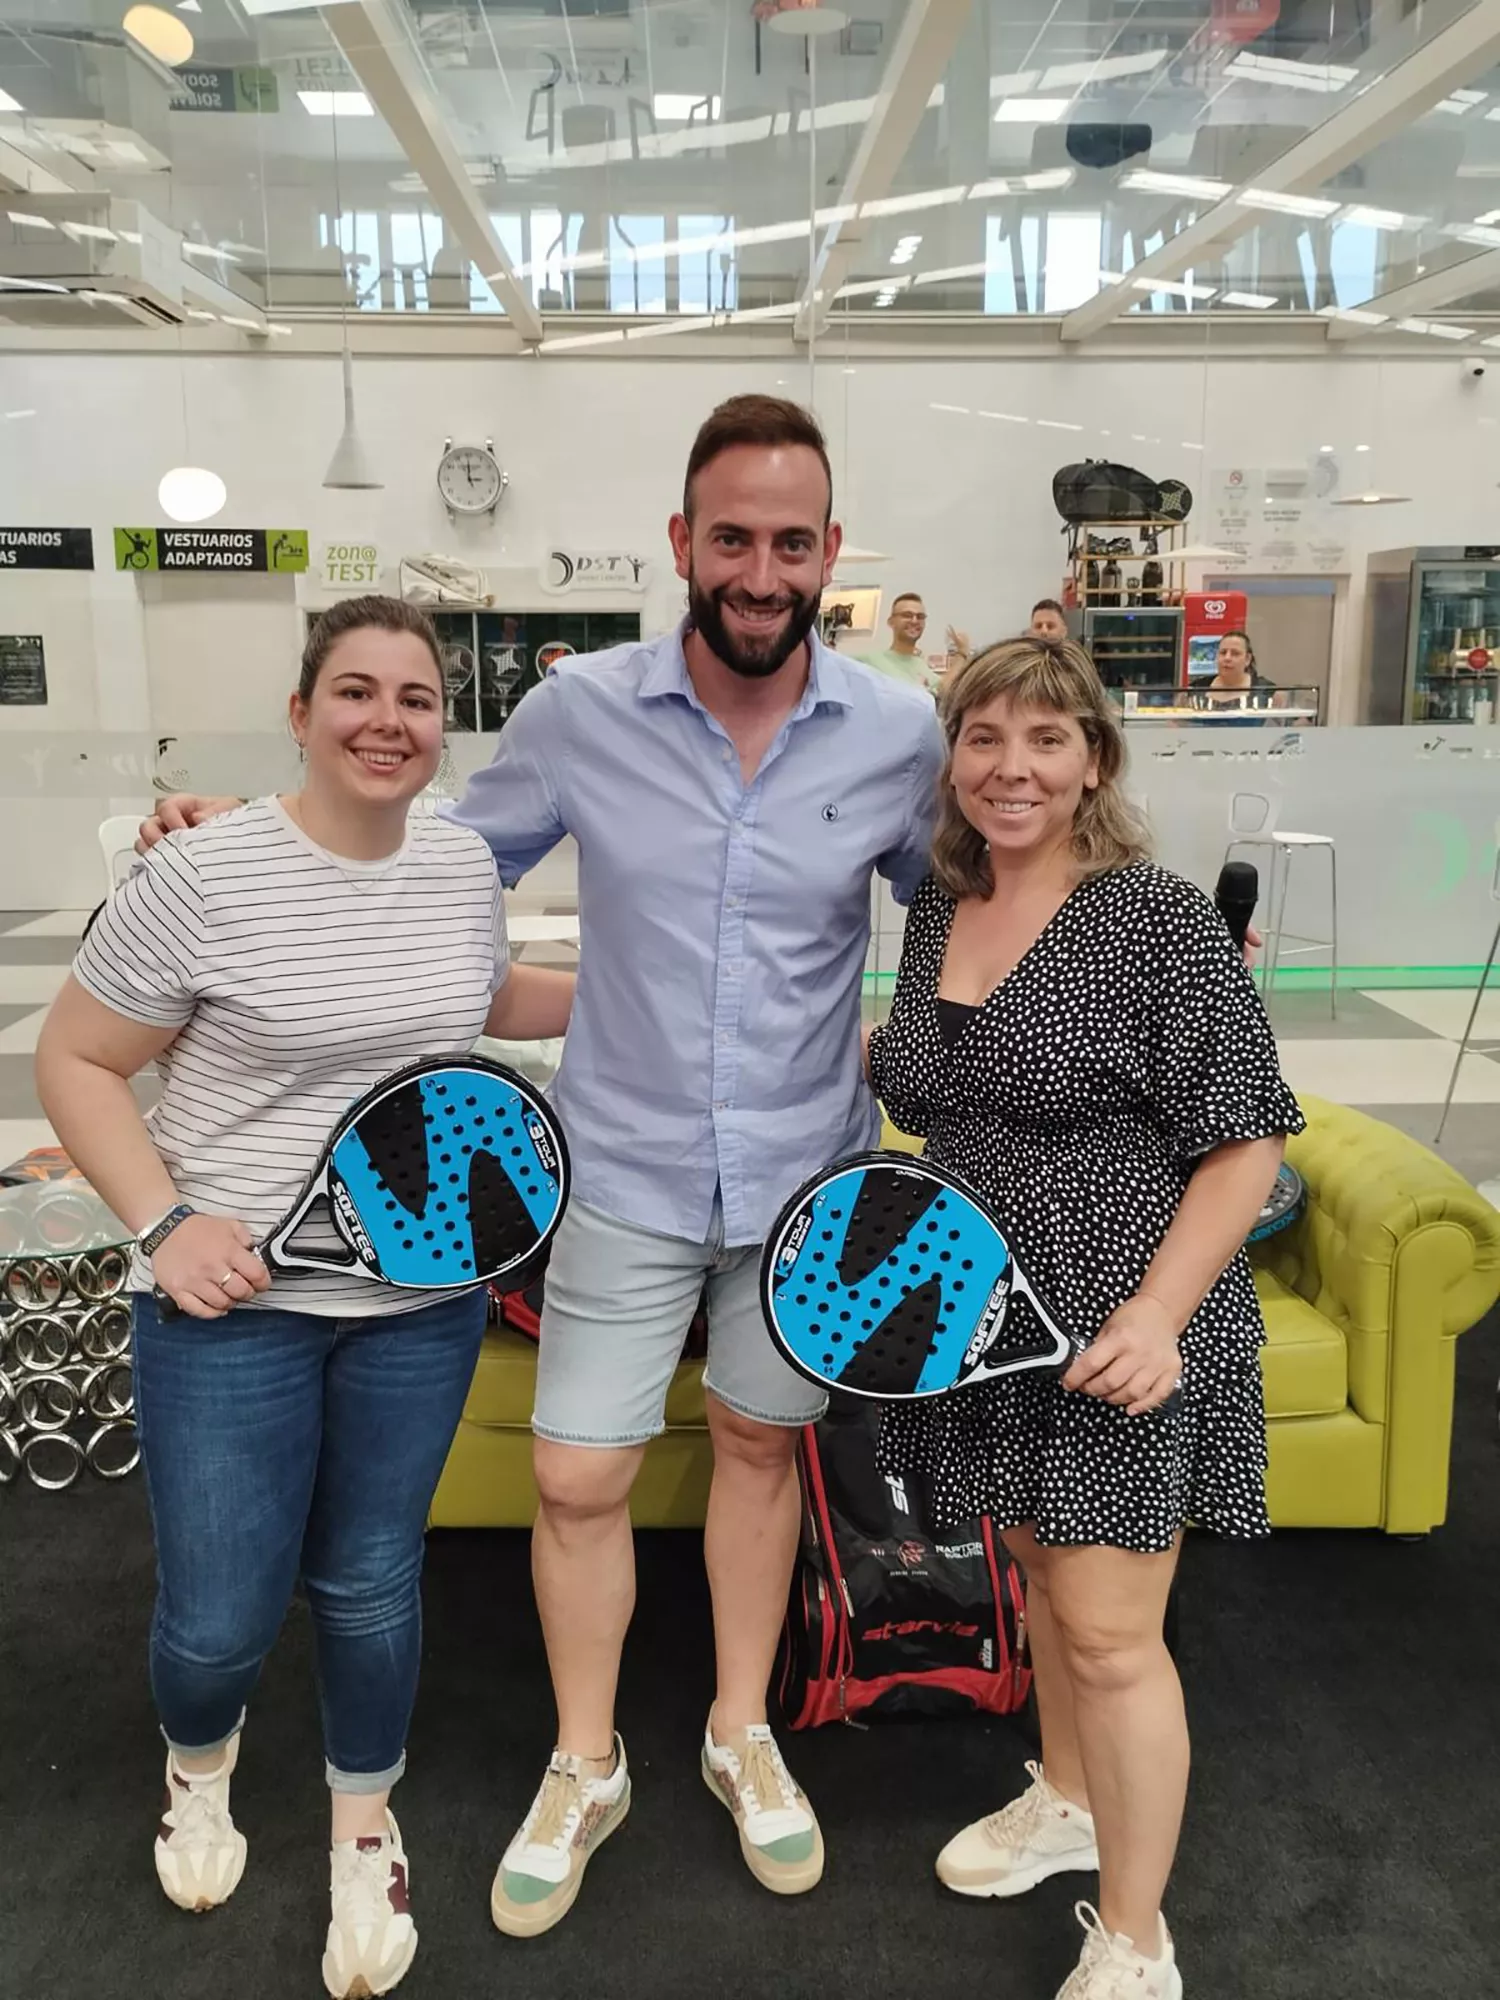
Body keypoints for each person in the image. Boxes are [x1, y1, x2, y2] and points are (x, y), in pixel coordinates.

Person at [138, 396, 946, 1937]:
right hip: (625, 1171)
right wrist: (240, 833)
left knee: (764, 1457)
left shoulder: (901, 731)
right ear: (682, 546)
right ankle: (588, 1759)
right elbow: (425, 849)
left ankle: (737, 1730)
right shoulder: (584, 718)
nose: (760, 570)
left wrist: (1125, 947)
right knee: (578, 1473)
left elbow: (967, 904)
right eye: (733, 539)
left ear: (828, 553)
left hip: (802, 1179)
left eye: (791, 541)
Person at [37, 596, 574, 2000]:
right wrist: (162, 1223)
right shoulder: (204, 874)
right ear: (300, 713)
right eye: (355, 690)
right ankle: (198, 1771)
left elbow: (478, 993)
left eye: (413, 696)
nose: (388, 719)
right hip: (231, 1313)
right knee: (219, 1617)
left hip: (420, 1304)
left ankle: (360, 1823)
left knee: (369, 1579)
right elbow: (77, 1059)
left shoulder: (459, 866)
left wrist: (627, 989)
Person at [866, 634, 1301, 2000]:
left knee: (1115, 1636)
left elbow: (1247, 1148)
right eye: (985, 737)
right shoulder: (945, 904)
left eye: (1046, 739)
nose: (1013, 766)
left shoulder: (1155, 917)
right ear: (953, 761)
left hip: (1121, 1328)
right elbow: (934, 1095)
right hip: (989, 1318)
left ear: (1094, 759)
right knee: (1050, 1581)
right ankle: (1065, 1796)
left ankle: (1137, 1938)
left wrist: (1165, 1315)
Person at [859, 590, 939, 692]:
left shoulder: (928, 673)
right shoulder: (869, 662)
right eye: (907, 615)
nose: (914, 621)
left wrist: (960, 654)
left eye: (920, 617)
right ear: (891, 622)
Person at [1195, 628, 1278, 712]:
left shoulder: (1267, 691)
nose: (1227, 658)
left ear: (1247, 659)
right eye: (1223, 652)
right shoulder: (1196, 688)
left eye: (1235, 653)